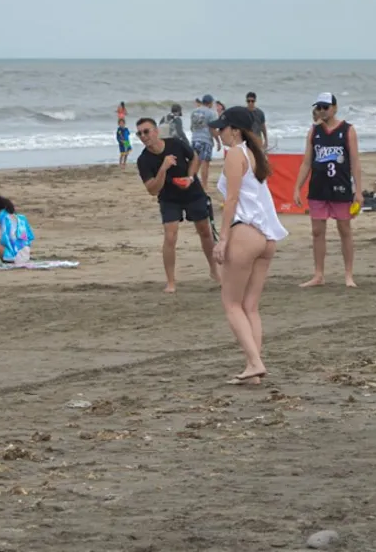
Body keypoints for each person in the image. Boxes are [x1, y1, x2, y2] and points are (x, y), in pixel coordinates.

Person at [208, 107, 288, 386]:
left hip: (245, 232)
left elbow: (231, 201)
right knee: (250, 306)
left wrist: (223, 239)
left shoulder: (235, 155)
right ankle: (253, 366)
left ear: (236, 130)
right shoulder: (255, 155)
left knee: (231, 303)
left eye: (223, 127)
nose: (219, 132)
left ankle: (255, 362)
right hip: (266, 237)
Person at [135, 117, 217, 292]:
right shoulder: (144, 160)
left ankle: (215, 270)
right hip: (169, 198)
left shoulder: (175, 144)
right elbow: (152, 189)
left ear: (156, 131)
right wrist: (163, 169)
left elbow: (195, 158)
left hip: (193, 192)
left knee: (204, 231)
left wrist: (190, 177)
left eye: (146, 131)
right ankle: (171, 282)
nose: (143, 136)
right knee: (170, 236)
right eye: (139, 133)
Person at [293, 93, 363, 288]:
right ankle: (318, 274)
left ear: (334, 107)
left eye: (326, 107)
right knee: (317, 231)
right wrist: (297, 187)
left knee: (344, 230)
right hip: (318, 187)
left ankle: (348, 275)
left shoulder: (347, 130)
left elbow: (355, 162)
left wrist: (358, 191)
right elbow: (306, 162)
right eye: (319, 107)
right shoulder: (314, 132)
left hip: (340, 187)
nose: (322, 111)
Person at [0, 194, 35, 265]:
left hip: (17, 256)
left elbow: (6, 239)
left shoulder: (4, 218)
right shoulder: (16, 216)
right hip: (25, 253)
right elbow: (28, 237)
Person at [190, 94, 219, 188]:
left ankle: (192, 182)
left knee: (195, 163)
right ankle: (204, 185)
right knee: (205, 163)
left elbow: (192, 127)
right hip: (206, 140)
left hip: (195, 139)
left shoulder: (194, 112)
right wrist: (218, 141)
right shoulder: (211, 113)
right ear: (210, 103)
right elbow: (212, 129)